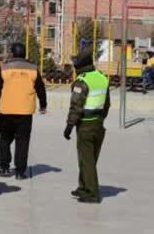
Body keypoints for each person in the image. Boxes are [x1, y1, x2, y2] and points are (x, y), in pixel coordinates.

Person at [64, 49, 111, 204]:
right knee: (89, 158)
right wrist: (100, 118)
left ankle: (92, 193)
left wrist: (70, 125)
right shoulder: (102, 78)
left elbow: (76, 106)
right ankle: (83, 186)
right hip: (98, 123)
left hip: (85, 124)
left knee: (87, 160)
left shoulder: (81, 81)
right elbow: (107, 104)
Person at [0, 43, 47, 180]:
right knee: (22, 142)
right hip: (25, 112)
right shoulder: (33, 68)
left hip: (6, 111)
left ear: (12, 54)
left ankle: (4, 168)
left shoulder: (4, 68)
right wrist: (43, 105)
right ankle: (20, 172)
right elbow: (41, 88)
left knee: (5, 139)